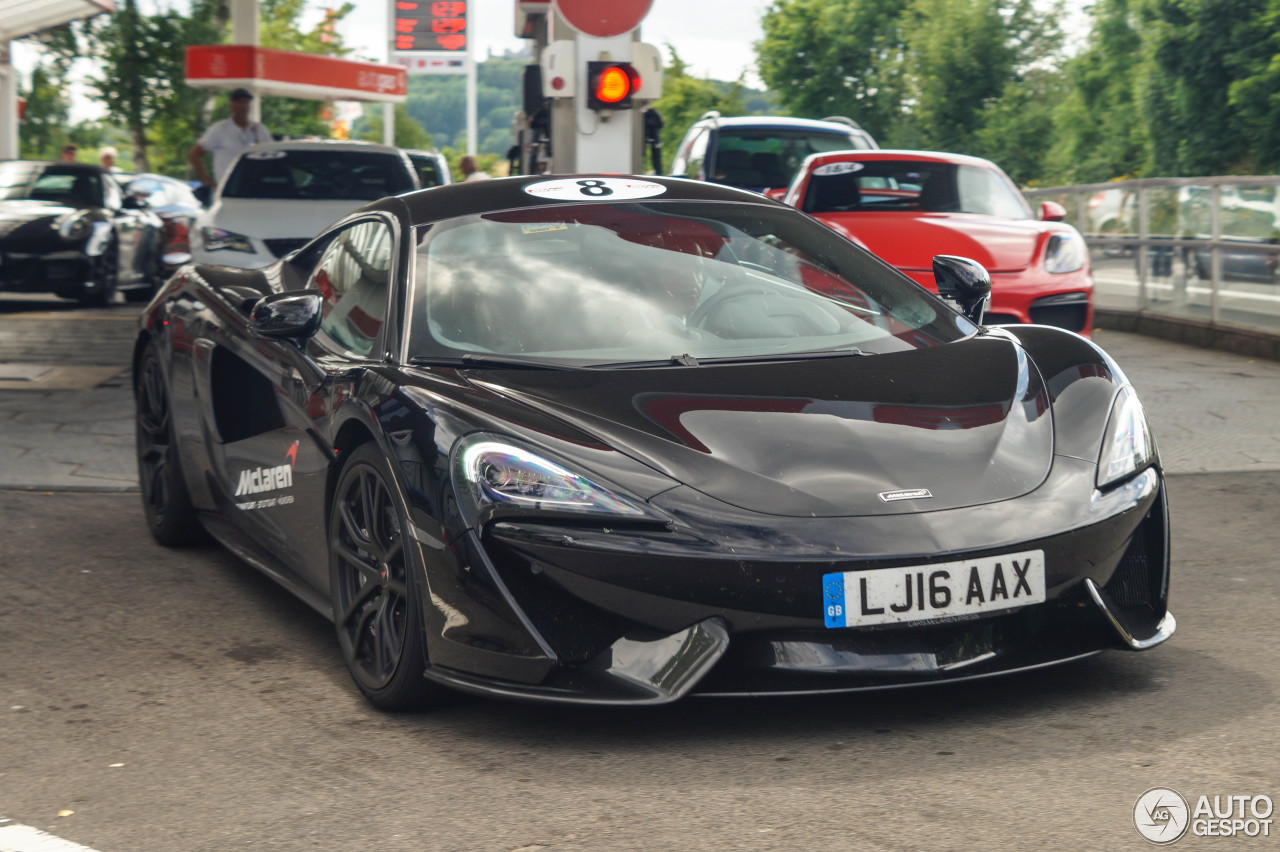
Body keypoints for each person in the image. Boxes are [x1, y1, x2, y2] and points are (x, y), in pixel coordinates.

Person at [188, 88, 271, 189]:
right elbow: (194, 154)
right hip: (229, 190)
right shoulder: (220, 129)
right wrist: (206, 181)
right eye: (240, 102)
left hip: (257, 188)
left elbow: (273, 155)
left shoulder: (260, 129)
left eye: (246, 102)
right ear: (231, 105)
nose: (243, 106)